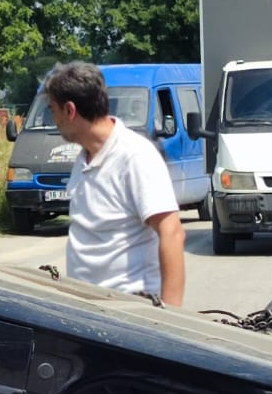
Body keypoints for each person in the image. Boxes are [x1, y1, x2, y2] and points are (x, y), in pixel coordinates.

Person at [45, 61, 185, 307]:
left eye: (52, 110)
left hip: (128, 309)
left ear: (69, 110)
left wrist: (171, 317)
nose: (53, 120)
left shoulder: (135, 156)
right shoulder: (84, 158)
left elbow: (172, 233)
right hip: (89, 306)